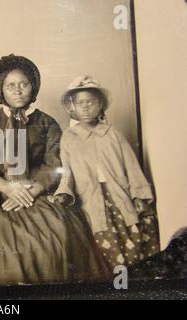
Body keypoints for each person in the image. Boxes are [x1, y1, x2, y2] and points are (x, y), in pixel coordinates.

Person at [0, 55, 109, 285]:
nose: (18, 91)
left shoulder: (47, 123)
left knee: (57, 231)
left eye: (24, 84)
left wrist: (30, 191)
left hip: (35, 192)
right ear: (1, 90)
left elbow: (53, 163)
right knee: (0, 240)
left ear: (34, 86)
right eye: (10, 85)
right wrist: (8, 188)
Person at [54, 75, 160, 269]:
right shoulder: (69, 137)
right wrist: (63, 193)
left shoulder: (112, 133)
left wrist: (139, 195)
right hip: (91, 198)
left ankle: (136, 284)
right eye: (80, 103)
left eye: (90, 102)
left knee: (136, 236)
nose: (85, 107)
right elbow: (67, 171)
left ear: (100, 105)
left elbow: (131, 166)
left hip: (119, 194)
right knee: (104, 244)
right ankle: (118, 284)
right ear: (73, 107)